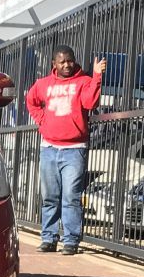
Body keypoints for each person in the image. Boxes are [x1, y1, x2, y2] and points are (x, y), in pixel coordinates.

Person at [25, 45, 106, 255]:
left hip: (74, 149)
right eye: (62, 62)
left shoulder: (83, 81)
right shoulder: (43, 84)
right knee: (50, 197)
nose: (67, 65)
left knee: (71, 196)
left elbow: (91, 102)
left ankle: (70, 241)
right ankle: (48, 238)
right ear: (54, 64)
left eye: (69, 60)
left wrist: (97, 76)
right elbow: (30, 101)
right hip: (49, 148)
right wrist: (42, 121)